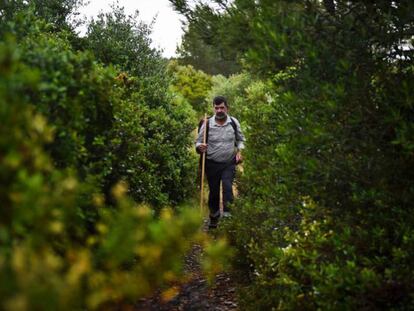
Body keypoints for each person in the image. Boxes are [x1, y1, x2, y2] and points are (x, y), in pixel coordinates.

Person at [196, 96, 245, 229]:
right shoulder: (207, 124)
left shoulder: (233, 122)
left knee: (228, 188)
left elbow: (240, 139)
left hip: (229, 162)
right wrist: (200, 147)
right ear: (213, 108)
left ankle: (228, 218)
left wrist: (240, 151)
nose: (219, 110)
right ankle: (214, 216)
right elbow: (198, 142)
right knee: (214, 191)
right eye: (216, 107)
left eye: (221, 107)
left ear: (227, 108)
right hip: (211, 163)